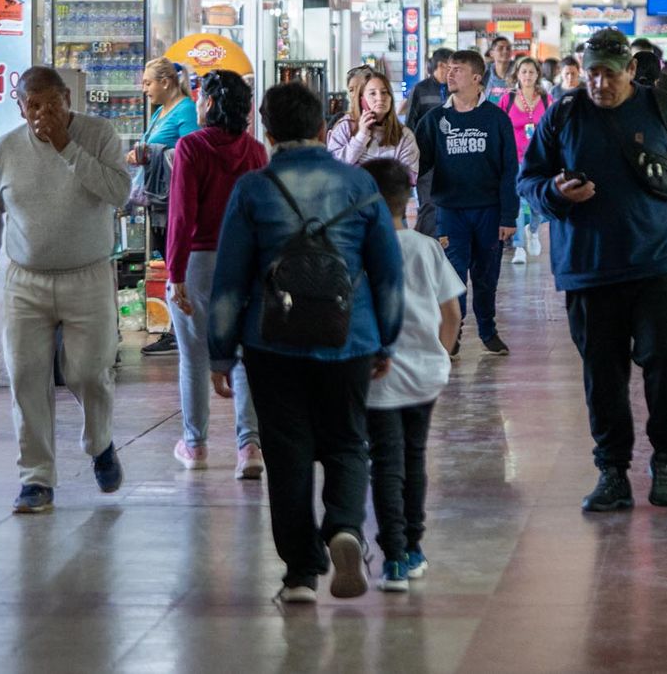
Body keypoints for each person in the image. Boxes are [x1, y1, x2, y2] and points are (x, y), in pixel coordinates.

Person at [209, 82, 404, 603]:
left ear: (267, 135)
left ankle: (299, 574)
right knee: (346, 441)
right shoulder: (361, 186)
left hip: (273, 342)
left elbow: (228, 279)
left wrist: (220, 350)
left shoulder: (253, 189)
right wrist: (385, 339)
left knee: (287, 450)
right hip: (349, 338)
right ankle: (344, 527)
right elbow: (388, 273)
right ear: (324, 128)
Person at [517, 29, 667, 513]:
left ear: (631, 70)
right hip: (589, 269)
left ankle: (666, 458)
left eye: (610, 72)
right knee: (602, 375)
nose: (600, 83)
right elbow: (529, 179)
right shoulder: (564, 113)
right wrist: (555, 195)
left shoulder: (663, 109)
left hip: (657, 262)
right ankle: (612, 471)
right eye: (592, 73)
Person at [0, 66, 129, 514]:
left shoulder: (99, 135)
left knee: (88, 371)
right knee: (26, 375)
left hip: (89, 274)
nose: (43, 114)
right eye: (33, 105)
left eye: (52, 104)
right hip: (26, 280)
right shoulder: (5, 149)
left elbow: (118, 191)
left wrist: (66, 148)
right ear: (19, 107)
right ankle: (36, 479)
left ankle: (99, 443)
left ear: (68, 100)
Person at [360, 158, 464, 593]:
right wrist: (440, 351)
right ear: (408, 201)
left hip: (378, 378)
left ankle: (395, 557)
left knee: (386, 463)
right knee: (414, 457)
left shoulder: (361, 251)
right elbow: (452, 313)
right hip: (424, 373)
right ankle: (415, 546)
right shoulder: (426, 247)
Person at [165, 70, 268, 477]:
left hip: (200, 262)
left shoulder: (191, 147)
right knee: (244, 354)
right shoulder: (256, 151)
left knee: (193, 355)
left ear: (208, 102)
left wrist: (174, 273)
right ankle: (250, 448)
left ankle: (195, 445)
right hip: (246, 261)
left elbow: (181, 215)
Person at [414, 49, 518, 358]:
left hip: (489, 210)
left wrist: (509, 216)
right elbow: (418, 164)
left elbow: (509, 169)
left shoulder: (496, 118)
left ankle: (488, 330)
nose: (449, 73)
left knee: (486, 276)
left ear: (476, 77)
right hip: (450, 211)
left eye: (457, 69)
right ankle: (453, 334)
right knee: (453, 275)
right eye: (448, 68)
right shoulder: (435, 120)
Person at [135, 57, 200, 357]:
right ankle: (176, 326)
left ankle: (181, 328)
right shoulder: (161, 111)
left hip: (174, 199)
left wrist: (152, 152)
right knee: (167, 258)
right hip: (159, 198)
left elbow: (189, 150)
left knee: (176, 261)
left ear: (165, 82)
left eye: (148, 82)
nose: (144, 88)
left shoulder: (185, 109)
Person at [500, 56, 552, 264]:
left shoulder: (546, 99)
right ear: (517, 75)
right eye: (524, 72)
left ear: (538, 74)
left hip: (540, 159)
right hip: (514, 158)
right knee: (518, 202)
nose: (528, 76)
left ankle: (533, 230)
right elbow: (500, 127)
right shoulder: (508, 98)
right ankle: (519, 246)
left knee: (537, 201)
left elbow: (553, 127)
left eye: (531, 72)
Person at [327, 71, 420, 177]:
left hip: (388, 193)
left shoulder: (404, 135)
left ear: (391, 98)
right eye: (372, 93)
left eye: (384, 92)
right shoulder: (345, 126)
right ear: (362, 100)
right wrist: (361, 137)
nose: (380, 98)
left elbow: (409, 177)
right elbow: (334, 167)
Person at [405, 48, 454, 238]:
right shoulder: (420, 89)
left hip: (451, 156)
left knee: (447, 202)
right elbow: (410, 123)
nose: (453, 72)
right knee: (428, 203)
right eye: (451, 67)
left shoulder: (454, 88)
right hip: (426, 157)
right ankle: (427, 243)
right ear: (441, 65)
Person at [484, 37, 513, 104]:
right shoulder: (485, 73)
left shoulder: (519, 74)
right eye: (500, 48)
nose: (505, 51)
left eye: (508, 48)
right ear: (491, 53)